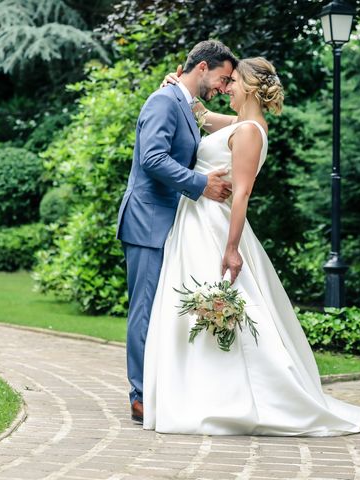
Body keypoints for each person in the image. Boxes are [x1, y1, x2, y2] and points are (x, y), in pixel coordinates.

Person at [142, 57, 360, 435]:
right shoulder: (243, 124)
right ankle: (194, 393)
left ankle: (240, 398)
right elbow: (205, 117)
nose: (225, 87)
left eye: (232, 82)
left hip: (215, 227)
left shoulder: (249, 131)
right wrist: (181, 91)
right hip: (195, 223)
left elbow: (242, 193)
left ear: (248, 86)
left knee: (227, 312)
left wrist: (231, 248)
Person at [116, 40, 238, 423]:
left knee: (161, 309)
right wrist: (201, 184)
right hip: (148, 220)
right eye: (222, 77)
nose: (223, 86)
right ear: (202, 67)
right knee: (145, 309)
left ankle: (159, 387)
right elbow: (152, 158)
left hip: (172, 221)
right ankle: (140, 397)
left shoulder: (184, 104)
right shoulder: (164, 101)